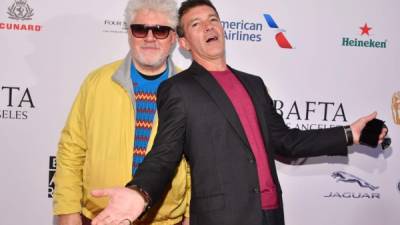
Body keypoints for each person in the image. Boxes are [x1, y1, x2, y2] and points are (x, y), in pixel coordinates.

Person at [90, 1, 389, 225]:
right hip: (223, 217)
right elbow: (164, 154)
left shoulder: (254, 84)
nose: (208, 26)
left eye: (213, 19)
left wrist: (351, 134)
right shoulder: (178, 89)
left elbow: (287, 142)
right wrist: (140, 192)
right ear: (183, 43)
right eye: (196, 24)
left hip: (271, 214)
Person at [53, 0, 190, 225]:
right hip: (99, 218)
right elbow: (71, 149)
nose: (149, 37)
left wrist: (192, 216)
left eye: (160, 30)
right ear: (128, 33)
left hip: (163, 220)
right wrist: (67, 211)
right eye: (140, 29)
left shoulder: (190, 90)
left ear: (173, 37)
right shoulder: (97, 82)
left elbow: (199, 165)